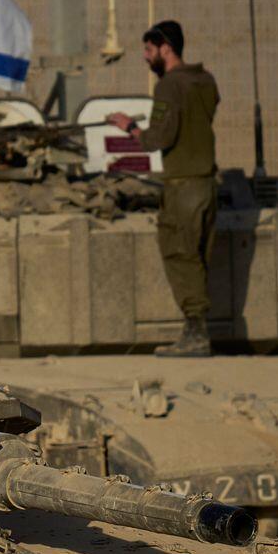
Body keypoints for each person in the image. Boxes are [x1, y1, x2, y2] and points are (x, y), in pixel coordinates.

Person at [106, 21, 220, 357]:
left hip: (182, 186)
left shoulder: (169, 86)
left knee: (180, 255)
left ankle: (196, 334)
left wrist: (130, 127)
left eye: (149, 49)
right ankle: (195, 330)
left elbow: (158, 139)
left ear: (165, 48)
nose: (145, 57)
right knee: (197, 257)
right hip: (206, 183)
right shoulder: (205, 80)